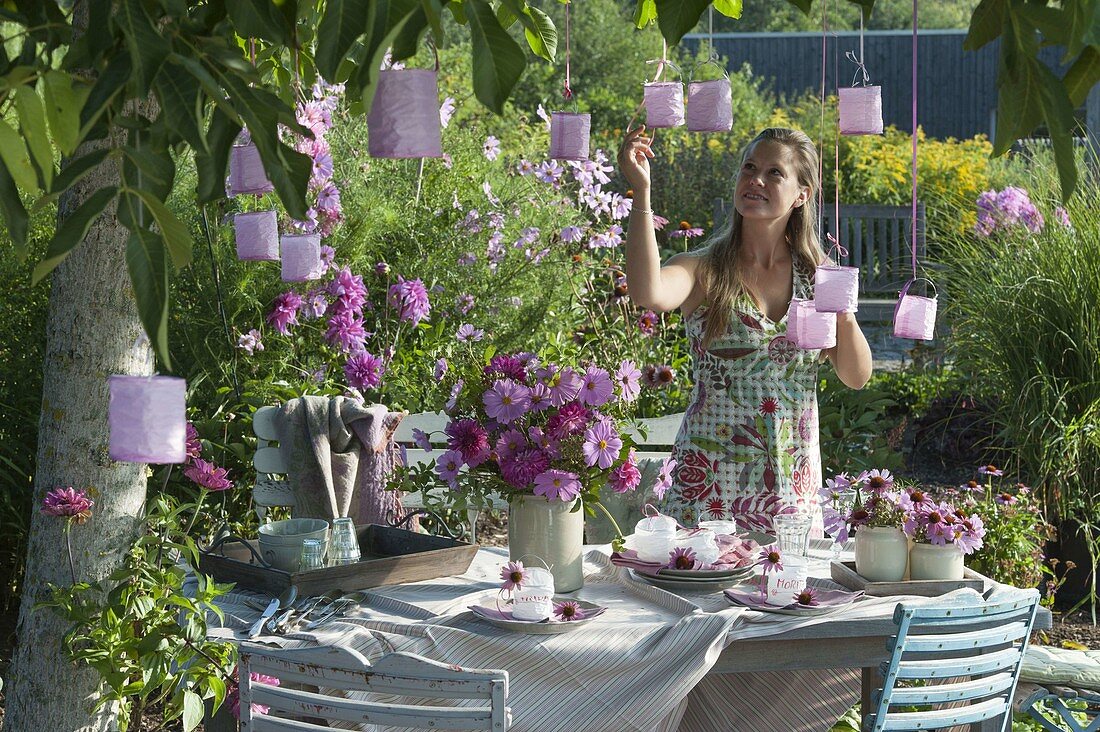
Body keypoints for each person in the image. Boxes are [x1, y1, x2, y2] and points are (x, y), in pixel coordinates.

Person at [619, 125, 872, 533]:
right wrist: (642, 194)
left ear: (802, 194)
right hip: (706, 487)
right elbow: (648, 293)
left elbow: (857, 376)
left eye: (774, 172)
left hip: (790, 489)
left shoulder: (816, 278)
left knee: (783, 596)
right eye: (749, 168)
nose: (755, 179)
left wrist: (840, 305)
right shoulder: (703, 269)